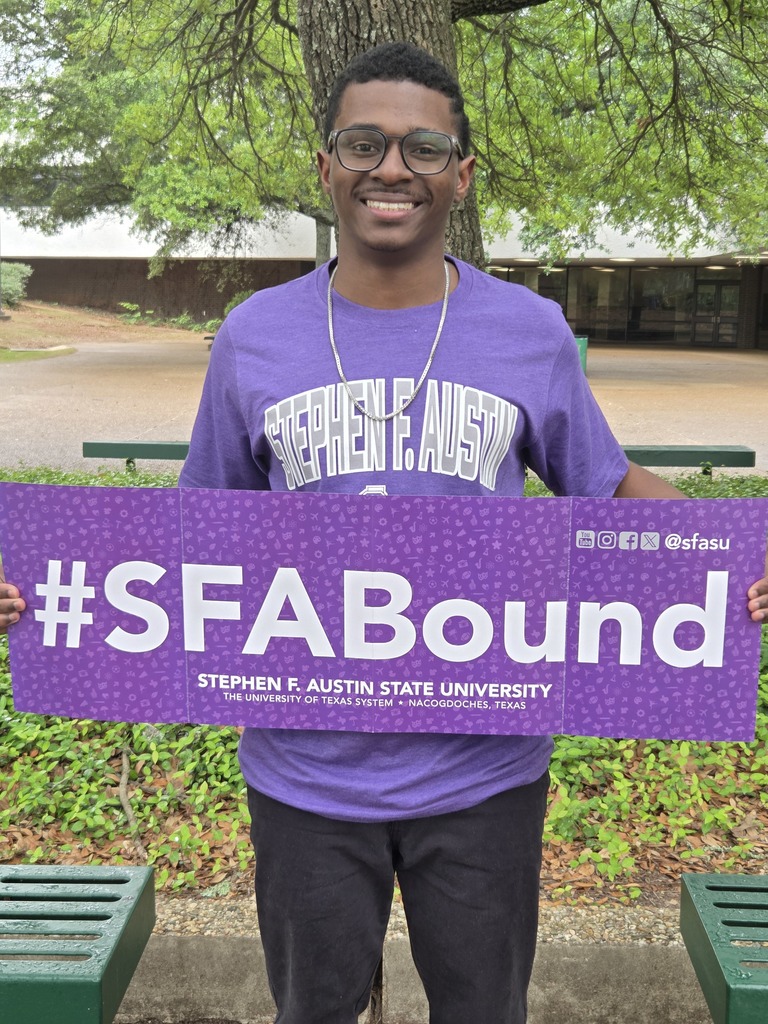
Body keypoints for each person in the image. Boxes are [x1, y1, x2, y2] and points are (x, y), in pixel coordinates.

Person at [1, 40, 767, 1024]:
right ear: (327, 166)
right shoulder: (255, 335)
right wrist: (39, 584)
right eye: (362, 143)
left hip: (484, 764)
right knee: (314, 1012)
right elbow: (191, 531)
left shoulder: (527, 329)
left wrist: (736, 559)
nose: (391, 167)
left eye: (422, 146)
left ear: (460, 172)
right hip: (304, 769)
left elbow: (607, 486)